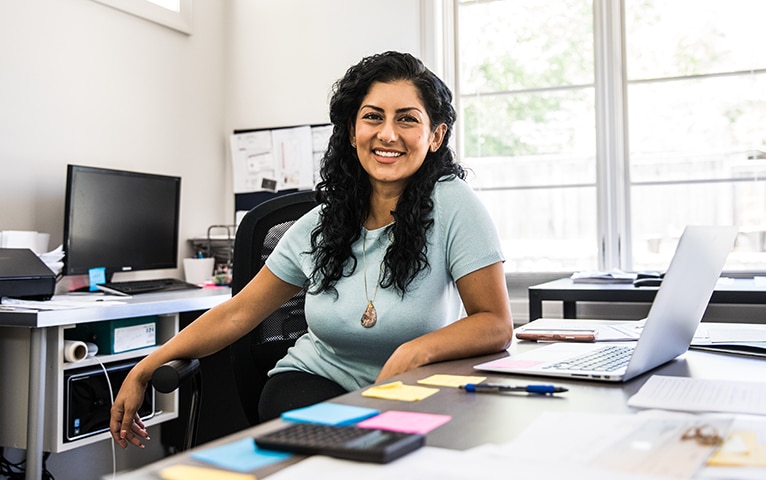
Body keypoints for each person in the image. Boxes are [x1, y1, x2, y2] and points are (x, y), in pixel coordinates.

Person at [110, 51, 513, 449]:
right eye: (373, 116)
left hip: (413, 388)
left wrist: (416, 350)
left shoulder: (454, 206)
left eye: (407, 119)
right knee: (349, 452)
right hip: (312, 383)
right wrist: (146, 366)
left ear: (435, 135)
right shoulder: (321, 224)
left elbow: (494, 323)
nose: (387, 134)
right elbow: (237, 313)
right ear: (353, 130)